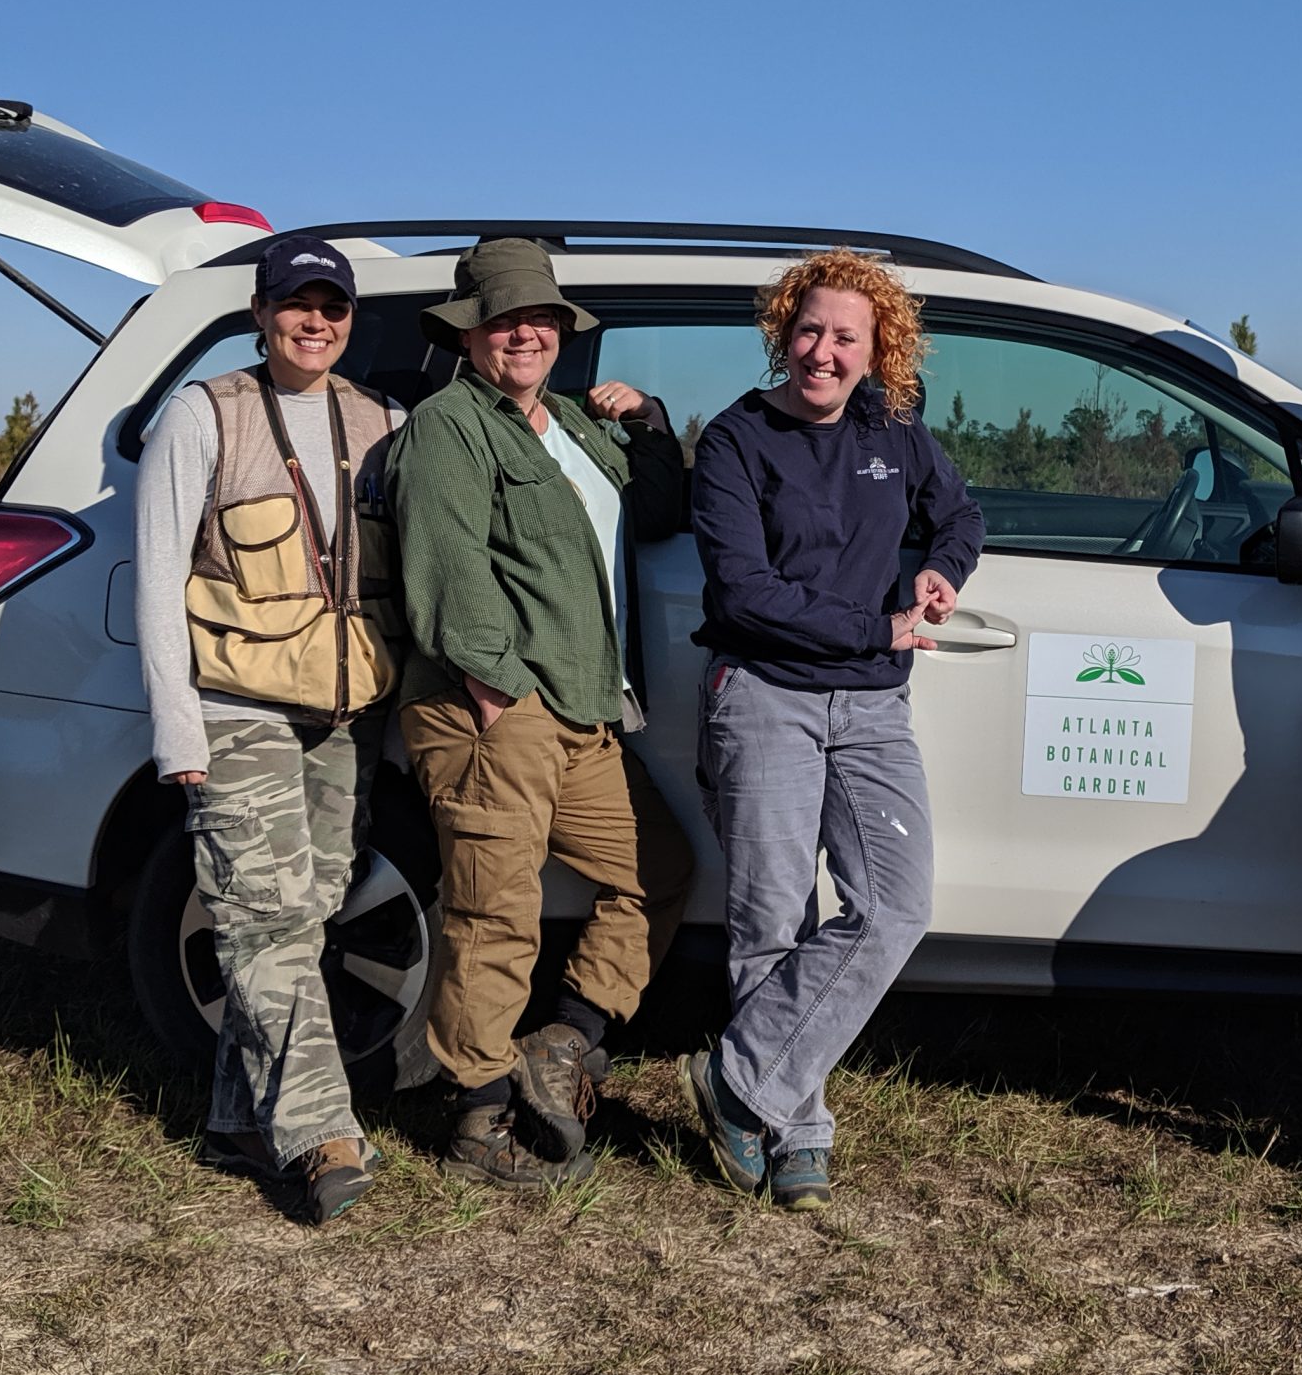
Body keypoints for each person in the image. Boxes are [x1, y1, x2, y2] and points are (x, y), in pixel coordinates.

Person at [677, 250, 983, 1212]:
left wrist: (942, 569)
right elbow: (747, 593)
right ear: (784, 334)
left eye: (846, 336)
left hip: (871, 707)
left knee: (893, 907)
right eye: (808, 330)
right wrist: (879, 627)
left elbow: (960, 515)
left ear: (877, 348)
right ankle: (794, 1127)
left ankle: (734, 1079)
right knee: (772, 918)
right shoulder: (736, 440)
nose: (823, 350)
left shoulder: (894, 427)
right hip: (764, 690)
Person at [387, 237, 694, 1190]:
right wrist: (496, 687)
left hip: (585, 708)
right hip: (496, 705)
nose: (524, 333)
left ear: (562, 330)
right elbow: (445, 568)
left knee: (659, 871)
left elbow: (659, 511)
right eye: (504, 319)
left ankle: (564, 1042)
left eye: (540, 318)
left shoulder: (570, 423)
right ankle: (477, 1115)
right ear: (470, 332)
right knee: (494, 907)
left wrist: (648, 421)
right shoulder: (449, 426)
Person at [134, 234, 405, 1225]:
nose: (316, 321)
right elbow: (161, 584)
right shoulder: (204, 416)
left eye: (332, 305)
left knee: (310, 908)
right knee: (262, 918)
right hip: (237, 706)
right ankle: (318, 1133)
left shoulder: (383, 420)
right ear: (260, 313)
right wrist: (182, 737)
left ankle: (236, 1121)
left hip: (344, 715)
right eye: (296, 304)